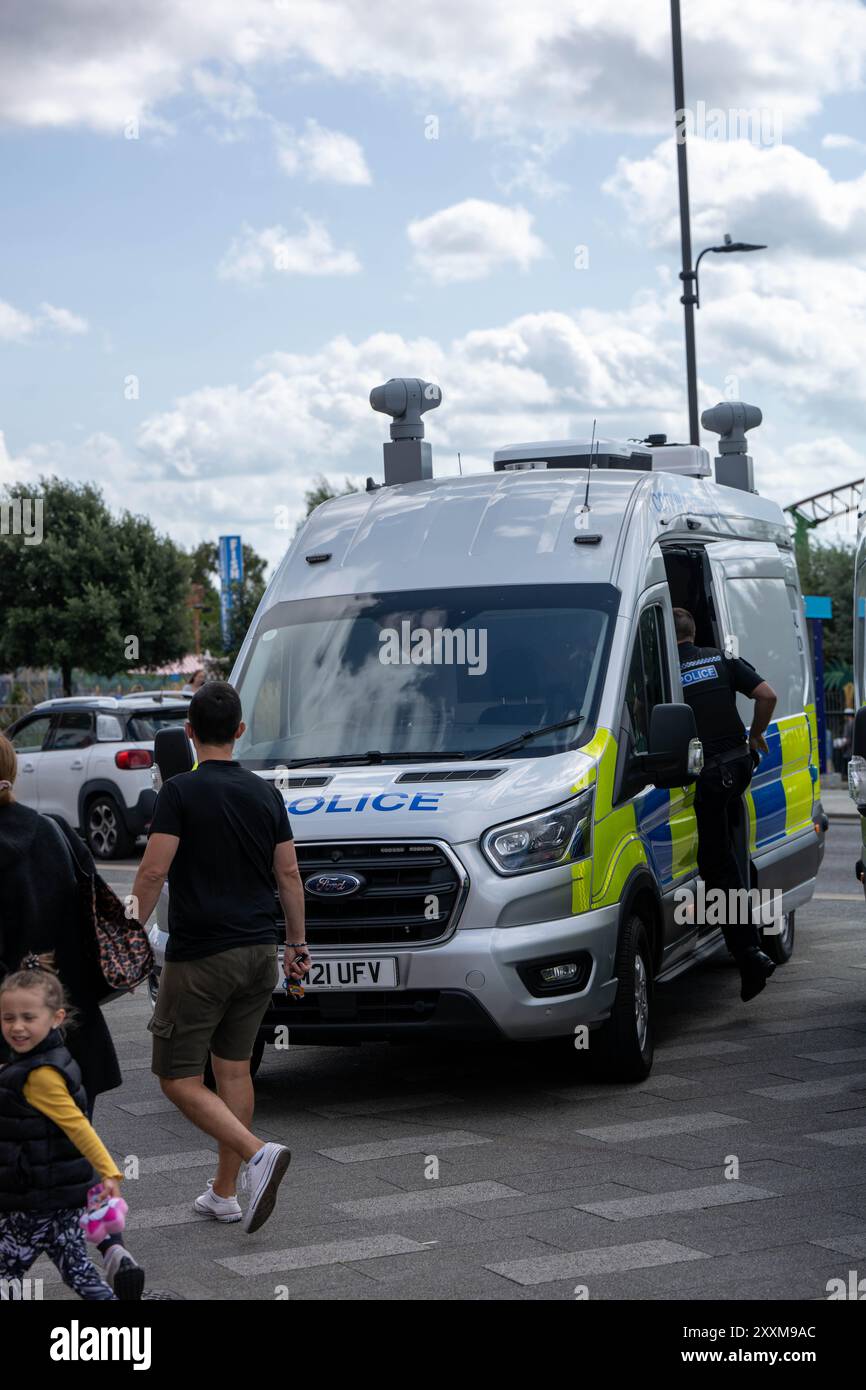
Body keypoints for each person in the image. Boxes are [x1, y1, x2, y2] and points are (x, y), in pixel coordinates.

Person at [131, 681, 308, 1233]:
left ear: (188, 732)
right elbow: (289, 875)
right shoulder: (264, 793)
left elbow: (155, 871)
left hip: (203, 956)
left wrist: (129, 929)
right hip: (259, 953)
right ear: (239, 732)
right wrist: (297, 945)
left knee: (177, 1078)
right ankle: (225, 1194)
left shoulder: (179, 793)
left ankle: (257, 1153)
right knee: (232, 1070)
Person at [0, 735, 145, 1296]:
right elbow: (91, 912)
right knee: (67, 1148)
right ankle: (109, 1248)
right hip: (69, 1026)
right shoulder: (54, 830)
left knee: (24, 1164)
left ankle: (53, 1259)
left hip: (10, 1034)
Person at [0, 954, 124, 1301]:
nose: (17, 1026)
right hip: (62, 1197)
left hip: (36, 1198)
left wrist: (110, 1174)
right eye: (8, 1018)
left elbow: (78, 1127)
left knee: (5, 1270)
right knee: (78, 1270)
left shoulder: (40, 1075)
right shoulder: (40, 1059)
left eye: (28, 1018)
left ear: (56, 1018)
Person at [674, 607, 779, 1002]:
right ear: (695, 631)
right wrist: (755, 736)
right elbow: (767, 695)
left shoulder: (667, 670)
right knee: (734, 855)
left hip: (711, 776)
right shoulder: (721, 657)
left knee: (716, 867)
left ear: (669, 637)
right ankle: (755, 938)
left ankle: (749, 954)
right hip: (738, 765)